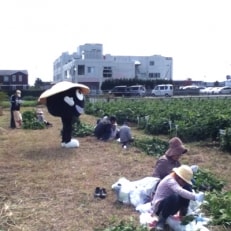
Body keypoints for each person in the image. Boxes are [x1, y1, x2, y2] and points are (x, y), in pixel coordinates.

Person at [151, 165, 204, 230]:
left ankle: (182, 213)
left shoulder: (177, 179)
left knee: (187, 188)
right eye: (183, 181)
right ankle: (161, 221)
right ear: (178, 177)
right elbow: (179, 191)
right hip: (160, 208)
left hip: (170, 206)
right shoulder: (170, 180)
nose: (183, 183)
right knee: (175, 196)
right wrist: (195, 197)